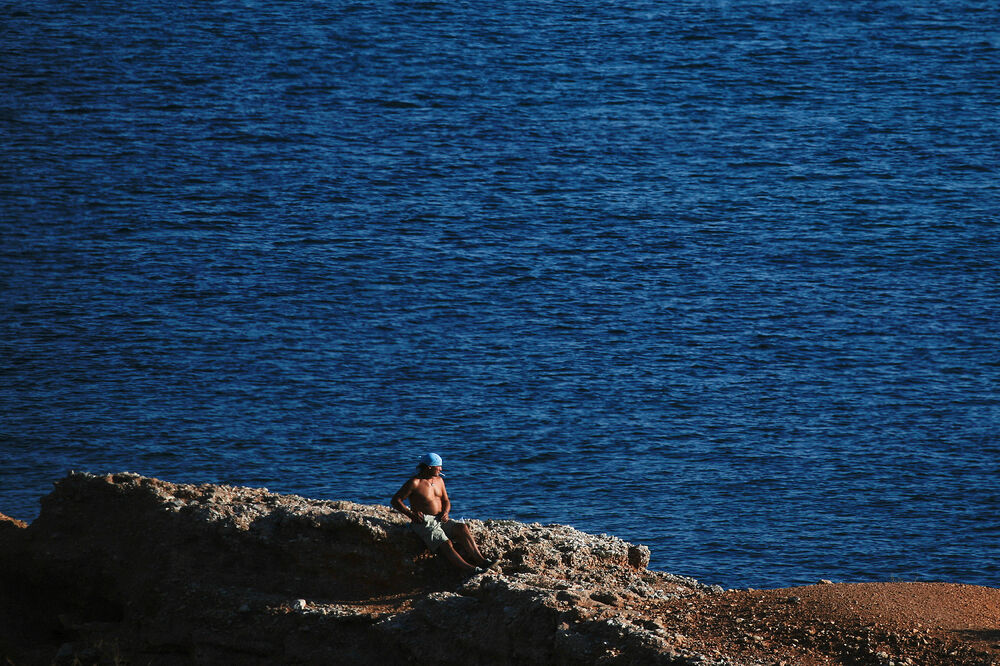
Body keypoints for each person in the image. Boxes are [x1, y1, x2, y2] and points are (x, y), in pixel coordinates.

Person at [391, 452, 493, 574]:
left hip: (440, 518)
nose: (441, 469)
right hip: (425, 522)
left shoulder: (439, 480)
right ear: (429, 467)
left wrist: (445, 511)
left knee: (462, 527)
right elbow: (396, 500)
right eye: (438, 466)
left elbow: (446, 500)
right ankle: (470, 570)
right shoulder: (415, 483)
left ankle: (481, 561)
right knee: (446, 543)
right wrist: (410, 514)